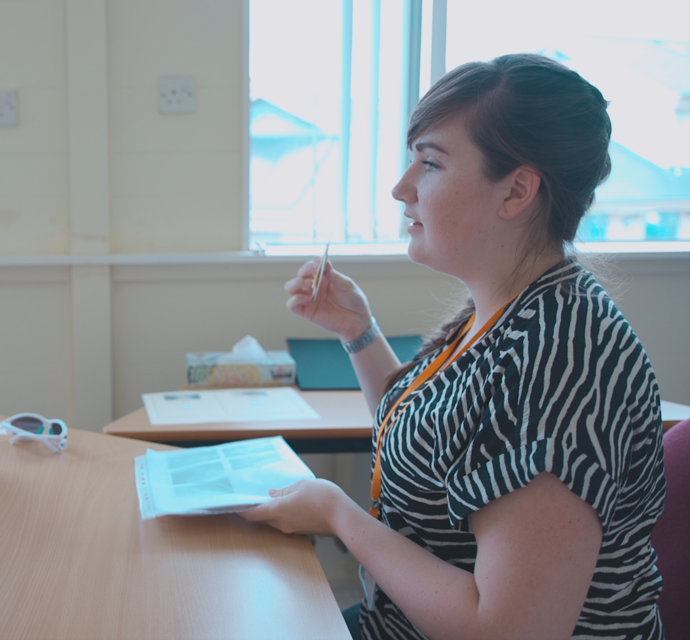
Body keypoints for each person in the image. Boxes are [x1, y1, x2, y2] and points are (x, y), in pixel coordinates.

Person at [243, 54, 666, 640]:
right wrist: (357, 331)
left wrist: (339, 516)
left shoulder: (560, 358)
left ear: (517, 190)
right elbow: (435, 437)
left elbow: (507, 630)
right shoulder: (512, 306)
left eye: (430, 163)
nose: (401, 187)